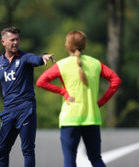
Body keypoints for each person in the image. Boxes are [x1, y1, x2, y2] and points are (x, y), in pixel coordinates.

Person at [36, 30, 121, 167]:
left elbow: (41, 82)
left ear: (67, 46)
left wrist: (63, 92)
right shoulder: (95, 64)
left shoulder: (62, 65)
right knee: (95, 158)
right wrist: (100, 102)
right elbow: (115, 80)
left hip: (70, 119)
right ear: (84, 46)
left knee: (70, 159)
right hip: (91, 118)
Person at [0, 26, 54, 167]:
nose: (16, 42)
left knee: (27, 150)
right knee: (2, 150)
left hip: (26, 109)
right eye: (12, 40)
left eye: (17, 39)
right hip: (9, 112)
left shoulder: (25, 58)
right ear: (3, 42)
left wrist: (43, 56)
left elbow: (36, 59)